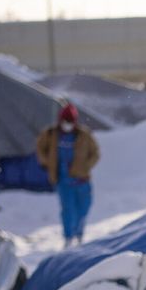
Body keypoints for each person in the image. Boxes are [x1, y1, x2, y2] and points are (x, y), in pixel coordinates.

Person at [35, 103, 100, 246]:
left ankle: (79, 233)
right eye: (65, 121)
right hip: (63, 181)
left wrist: (85, 167)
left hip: (82, 180)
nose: (68, 125)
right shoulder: (51, 134)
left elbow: (95, 153)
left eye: (70, 122)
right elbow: (40, 148)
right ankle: (69, 237)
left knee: (83, 209)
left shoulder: (84, 135)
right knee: (68, 211)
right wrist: (48, 163)